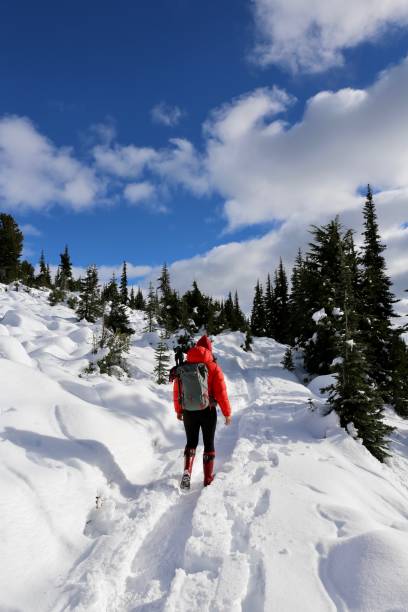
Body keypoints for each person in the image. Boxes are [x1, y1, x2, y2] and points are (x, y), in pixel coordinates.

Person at [173, 335, 232, 488]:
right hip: (208, 410)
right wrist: (227, 413)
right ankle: (207, 479)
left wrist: (179, 410)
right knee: (208, 444)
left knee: (191, 442)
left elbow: (177, 390)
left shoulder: (185, 366)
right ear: (209, 350)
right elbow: (221, 393)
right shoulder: (213, 367)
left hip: (188, 410)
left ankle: (187, 471)